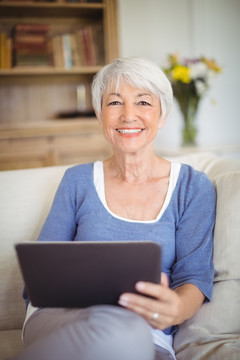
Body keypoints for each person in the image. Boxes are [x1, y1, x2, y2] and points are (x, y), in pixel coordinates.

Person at [11, 57, 216, 360]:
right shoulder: (77, 180)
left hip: (147, 330)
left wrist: (175, 310)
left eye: (143, 102)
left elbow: (194, 277)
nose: (128, 115)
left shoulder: (193, 187)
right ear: (99, 113)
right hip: (59, 317)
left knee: (129, 332)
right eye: (115, 103)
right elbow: (41, 272)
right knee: (118, 328)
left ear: (162, 115)